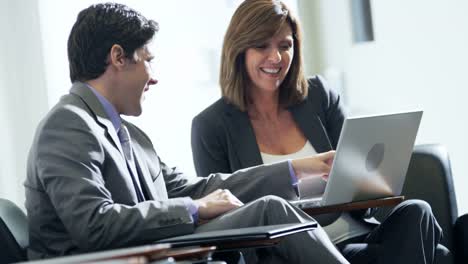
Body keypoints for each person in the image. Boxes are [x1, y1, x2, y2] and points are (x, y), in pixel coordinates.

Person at [23, 3, 354, 263]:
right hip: (115, 258)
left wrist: (296, 169)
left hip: (157, 249)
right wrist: (194, 209)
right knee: (270, 209)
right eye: (148, 60)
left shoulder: (131, 135)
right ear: (118, 58)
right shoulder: (67, 124)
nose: (153, 77)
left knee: (271, 214)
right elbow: (95, 225)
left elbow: (194, 187)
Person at [191, 0, 451, 263]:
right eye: (261, 46)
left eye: (285, 45)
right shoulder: (210, 126)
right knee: (425, 250)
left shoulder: (318, 95)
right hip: (291, 251)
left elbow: (365, 190)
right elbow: (222, 220)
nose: (276, 58)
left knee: (418, 211)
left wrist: (369, 180)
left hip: (357, 236)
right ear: (239, 49)